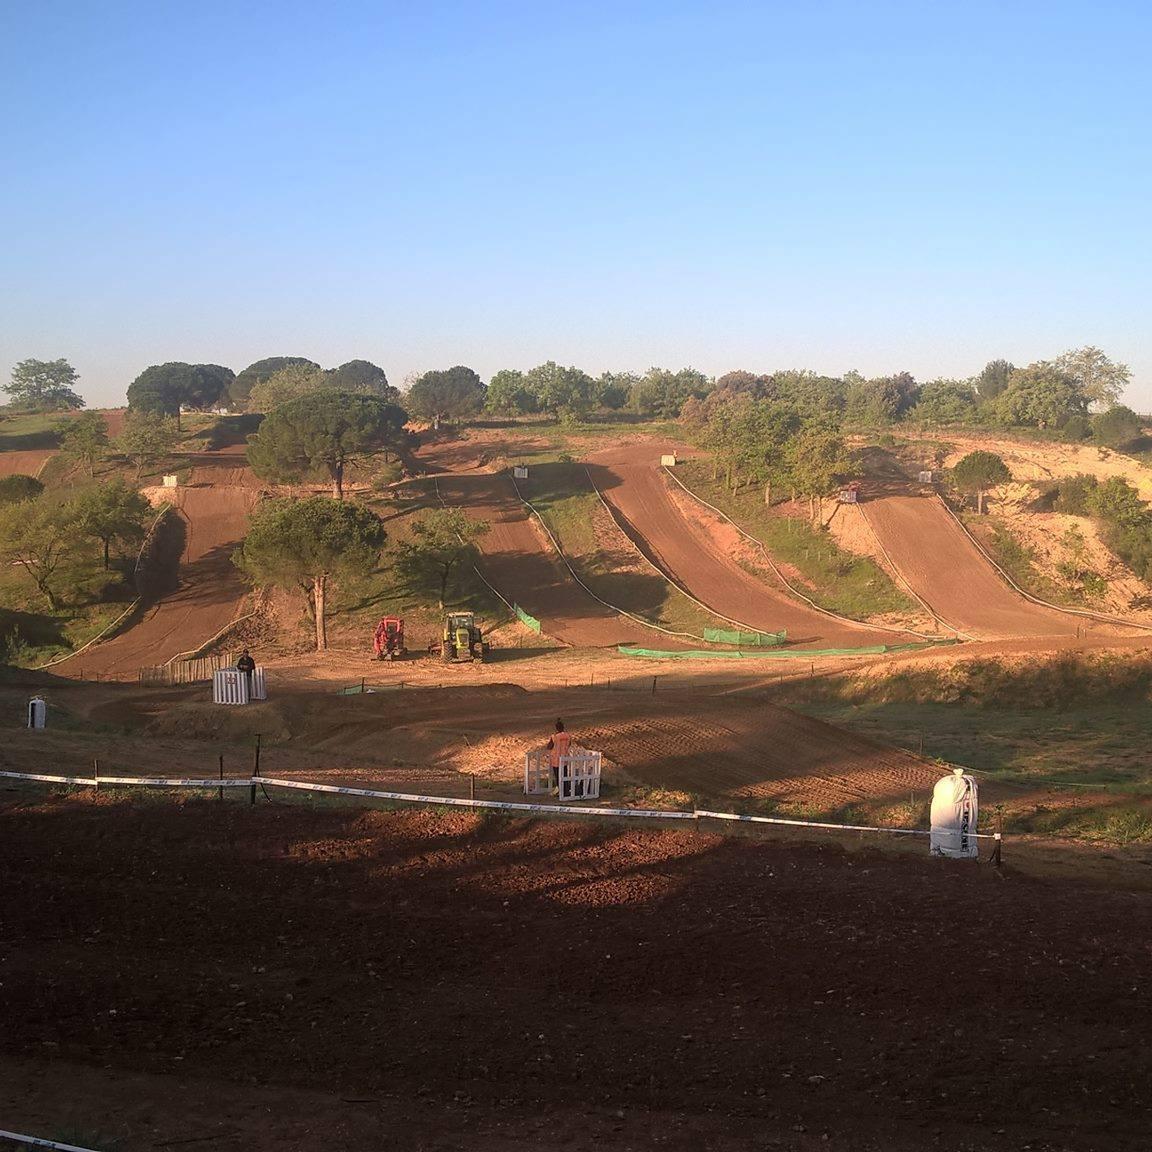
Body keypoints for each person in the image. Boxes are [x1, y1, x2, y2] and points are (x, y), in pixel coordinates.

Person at [546, 718, 572, 797]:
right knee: (564, 775)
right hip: (565, 758)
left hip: (556, 759)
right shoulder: (567, 736)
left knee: (557, 776)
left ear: (556, 728)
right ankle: (566, 790)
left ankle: (559, 790)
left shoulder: (554, 736)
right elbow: (569, 744)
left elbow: (549, 746)